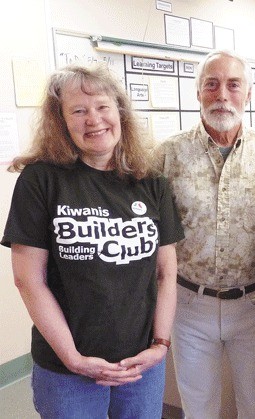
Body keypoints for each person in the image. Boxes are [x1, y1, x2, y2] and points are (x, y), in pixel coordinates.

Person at [1, 63, 184, 418]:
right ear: (61, 120)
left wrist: (161, 343)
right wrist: (73, 358)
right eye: (79, 110)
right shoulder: (41, 181)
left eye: (102, 106)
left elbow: (166, 274)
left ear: (120, 111)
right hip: (67, 371)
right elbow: (28, 280)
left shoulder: (152, 183)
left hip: (140, 367)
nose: (94, 119)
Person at [155, 50, 255, 418]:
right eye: (211, 84)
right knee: (198, 408)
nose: (222, 95)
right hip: (189, 305)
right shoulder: (167, 155)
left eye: (233, 85)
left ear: (248, 94)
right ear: (198, 92)